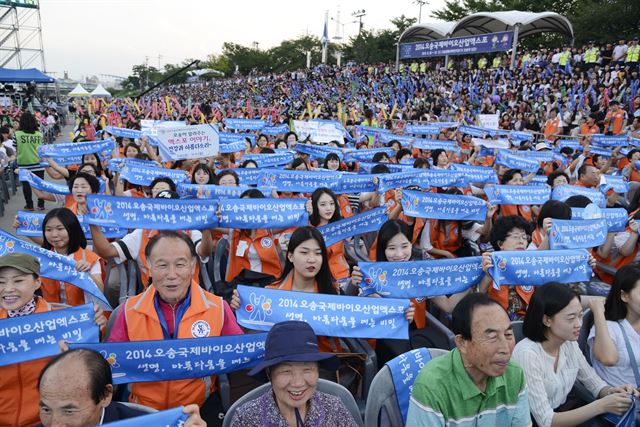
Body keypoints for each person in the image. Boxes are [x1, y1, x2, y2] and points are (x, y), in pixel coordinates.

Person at [107, 231, 243, 422]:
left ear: (193, 266)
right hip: (143, 412)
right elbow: (110, 364)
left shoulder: (218, 308)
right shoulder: (129, 311)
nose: (172, 275)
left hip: (199, 409)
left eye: (180, 264)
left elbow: (241, 356)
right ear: (150, 267)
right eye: (162, 265)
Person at [0, 252, 106, 427]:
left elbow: (89, 372)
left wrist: (95, 326)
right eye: (1, 282)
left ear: (37, 282)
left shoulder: (62, 321)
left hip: (47, 421)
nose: (8, 288)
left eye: (18, 281)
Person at [513, 282, 637, 427]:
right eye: (571, 318)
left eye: (580, 315)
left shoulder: (568, 344)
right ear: (547, 320)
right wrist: (601, 406)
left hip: (563, 414)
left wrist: (613, 392)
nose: (578, 323)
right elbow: (546, 421)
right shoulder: (528, 354)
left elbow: (594, 384)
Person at [406, 293, 531, 426]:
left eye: (508, 334)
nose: (505, 348)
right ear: (462, 343)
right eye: (492, 337)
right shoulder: (432, 386)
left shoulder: (514, 374)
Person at [229, 321, 359, 427]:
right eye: (286, 371)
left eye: (307, 370)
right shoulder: (246, 419)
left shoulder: (333, 409)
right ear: (269, 374)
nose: (298, 383)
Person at [36, 348, 206, 427]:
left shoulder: (143, 424)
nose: (55, 424)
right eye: (46, 410)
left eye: (69, 411)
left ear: (105, 395)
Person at [589, 264, 640, 387]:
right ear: (624, 295)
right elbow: (608, 358)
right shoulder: (608, 327)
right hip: (622, 401)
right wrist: (598, 311)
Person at [16, 111, 45, 211]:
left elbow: (15, 148)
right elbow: (43, 149)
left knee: (26, 185)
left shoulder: (17, 135)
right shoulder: (39, 134)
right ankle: (41, 204)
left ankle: (30, 205)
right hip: (38, 163)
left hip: (24, 164)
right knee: (40, 184)